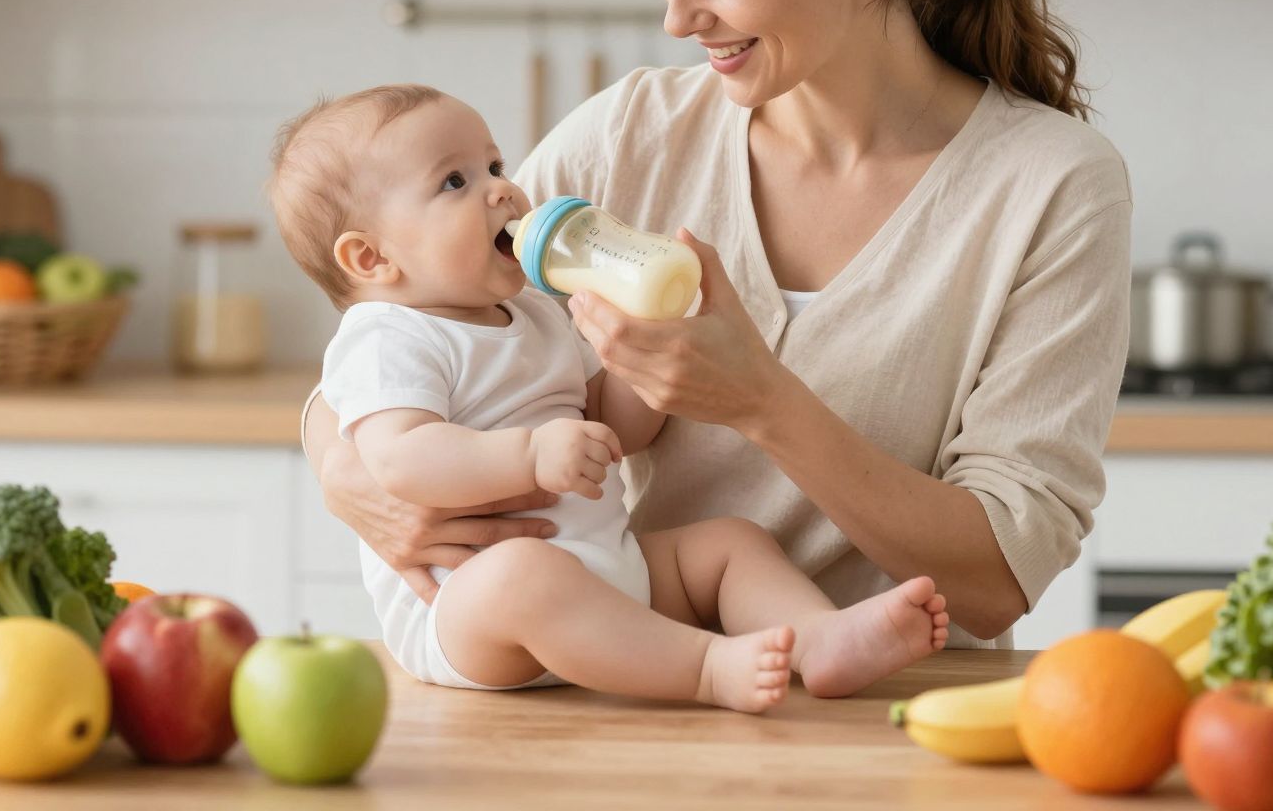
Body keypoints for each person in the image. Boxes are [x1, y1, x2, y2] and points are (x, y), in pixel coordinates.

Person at [301, 0, 1131, 648]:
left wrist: (761, 402)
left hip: (901, 726)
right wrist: (341, 469)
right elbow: (403, 325)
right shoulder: (632, 137)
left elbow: (997, 580)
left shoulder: (1048, 187)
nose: (677, 15)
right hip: (644, 695)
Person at [268, 84, 950, 711]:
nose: (503, 192)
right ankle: (709, 668)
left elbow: (614, 429)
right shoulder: (388, 337)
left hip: (606, 572)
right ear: (370, 259)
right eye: (455, 181)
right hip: (472, 609)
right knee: (522, 577)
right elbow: (402, 461)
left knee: (727, 546)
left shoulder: (533, 311)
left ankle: (817, 638)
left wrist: (642, 353)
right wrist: (531, 454)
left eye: (495, 165)